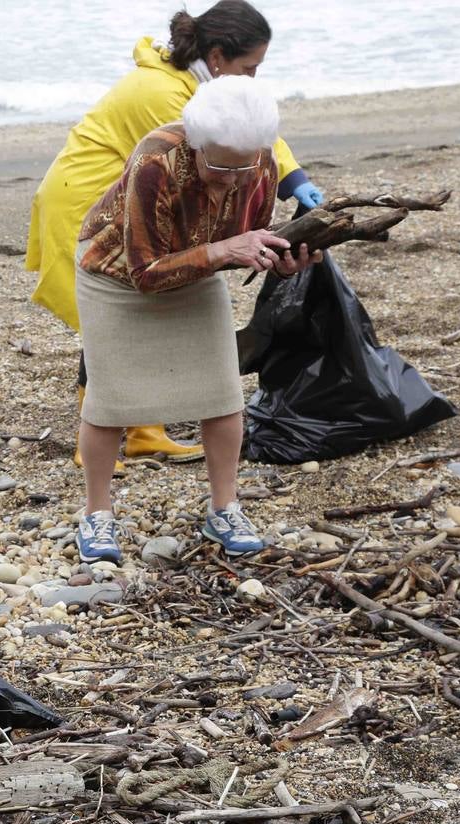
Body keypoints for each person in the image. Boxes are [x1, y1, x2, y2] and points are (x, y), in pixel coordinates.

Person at [25, 0, 322, 468]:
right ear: (219, 55)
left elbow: (250, 131)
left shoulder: (203, 83)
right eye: (250, 68)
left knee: (142, 312)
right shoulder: (164, 94)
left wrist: (294, 178)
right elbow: (217, 142)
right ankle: (96, 440)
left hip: (139, 194)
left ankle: (145, 433)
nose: (252, 80)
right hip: (89, 200)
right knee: (111, 322)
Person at [73, 76, 320, 564]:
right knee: (110, 398)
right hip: (116, 272)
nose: (233, 178)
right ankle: (97, 515)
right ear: (196, 141)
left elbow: (250, 235)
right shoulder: (155, 160)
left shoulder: (259, 161)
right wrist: (227, 248)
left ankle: (224, 508)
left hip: (196, 270)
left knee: (223, 392)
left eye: (243, 166)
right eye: (220, 166)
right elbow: (145, 271)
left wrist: (279, 257)